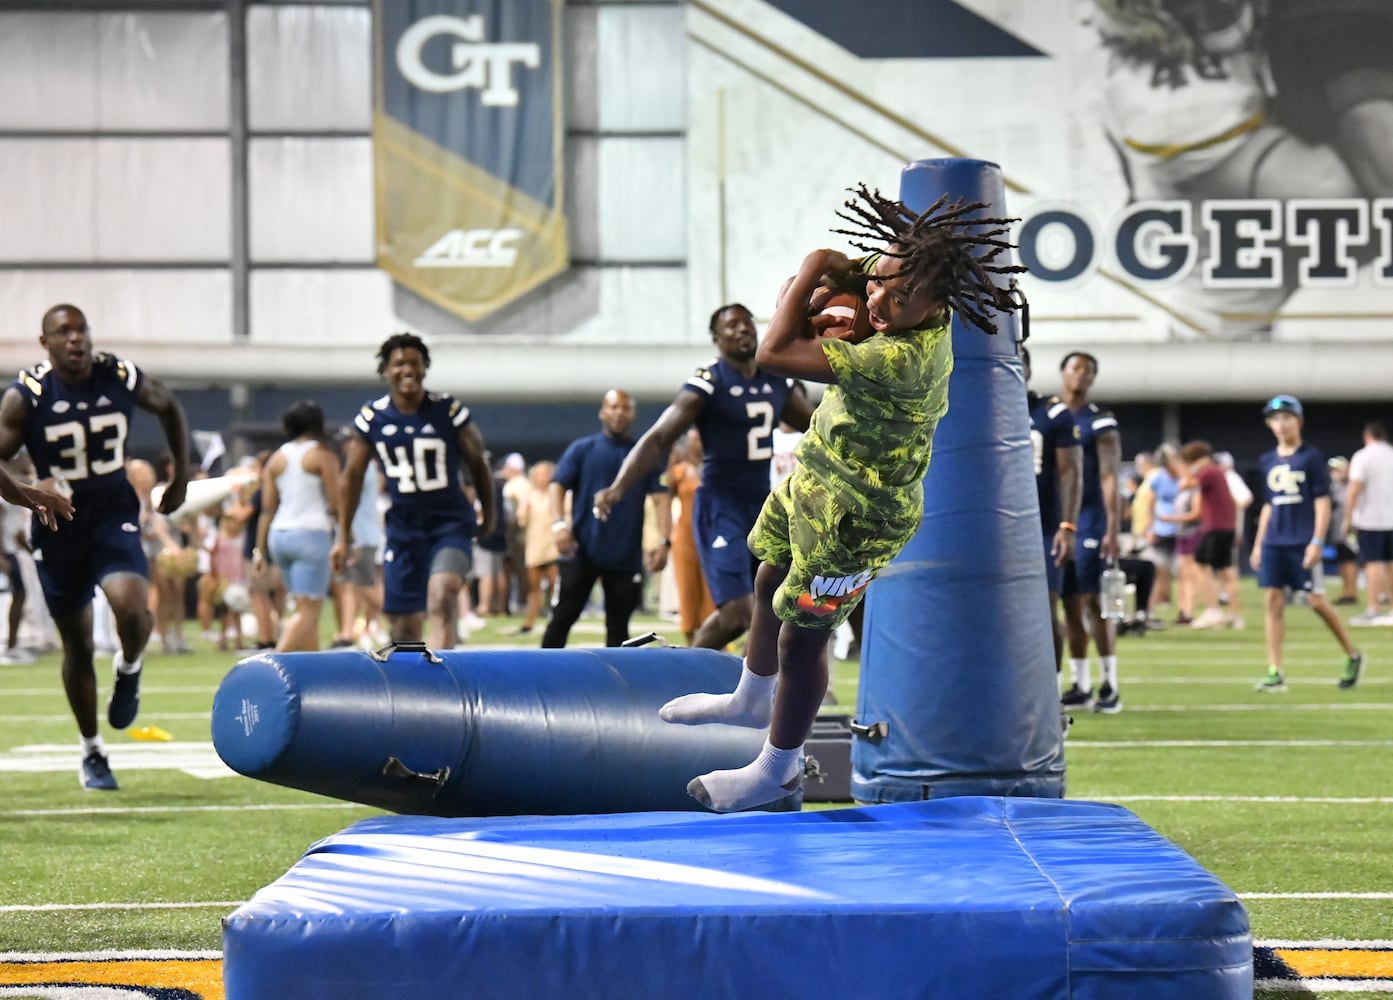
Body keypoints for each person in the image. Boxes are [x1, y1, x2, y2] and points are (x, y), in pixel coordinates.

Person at [654, 184, 1027, 812]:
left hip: (861, 515)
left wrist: (816, 265)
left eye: (901, 298)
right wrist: (851, 281)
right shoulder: (898, 280)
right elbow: (860, 286)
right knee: (770, 569)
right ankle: (751, 695)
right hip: (818, 476)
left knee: (804, 638)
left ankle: (778, 769)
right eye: (880, 280)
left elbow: (773, 351)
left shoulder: (904, 358)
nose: (880, 299)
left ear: (937, 307)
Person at [0, 303, 185, 791]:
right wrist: (28, 495)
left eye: (81, 329)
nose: (76, 339)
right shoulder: (28, 395)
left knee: (132, 609)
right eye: (64, 332)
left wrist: (181, 477)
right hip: (57, 524)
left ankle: (129, 668)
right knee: (77, 644)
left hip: (111, 512)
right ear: (47, 343)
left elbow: (168, 405)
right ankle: (93, 750)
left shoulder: (117, 375)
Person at [593, 304, 814, 651]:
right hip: (720, 504)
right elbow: (658, 439)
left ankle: (757, 693)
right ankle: (681, 674)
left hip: (764, 504)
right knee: (737, 615)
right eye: (731, 325)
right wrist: (619, 487)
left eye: (747, 324)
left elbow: (818, 430)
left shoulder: (777, 380)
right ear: (715, 338)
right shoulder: (709, 382)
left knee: (778, 609)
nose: (742, 330)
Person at [332, 333, 496, 649]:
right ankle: (413, 690)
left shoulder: (447, 410)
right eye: (398, 364)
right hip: (403, 528)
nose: (407, 370)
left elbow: (478, 463)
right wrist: (342, 535)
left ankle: (443, 682)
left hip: (449, 522)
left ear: (424, 368)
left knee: (442, 592)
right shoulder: (372, 416)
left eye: (414, 363)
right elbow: (351, 476)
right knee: (404, 627)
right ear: (385, 371)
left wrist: (488, 515)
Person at [1250, 395, 1363, 692]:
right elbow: (1268, 505)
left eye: (1287, 417)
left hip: (1301, 540)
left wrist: (1316, 540)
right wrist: (1259, 544)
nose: (1281, 424)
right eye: (1276, 419)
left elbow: (1322, 502)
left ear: (1298, 421)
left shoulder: (1311, 458)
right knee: (1272, 601)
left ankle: (1352, 653)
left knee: (1315, 600)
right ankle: (1275, 669)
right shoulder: (1267, 461)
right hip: (1275, 539)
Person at [547, 390, 672, 648]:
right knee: (561, 618)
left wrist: (663, 541)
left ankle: (617, 687)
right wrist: (558, 525)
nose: (619, 413)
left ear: (633, 414)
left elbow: (662, 499)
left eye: (625, 408)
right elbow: (556, 486)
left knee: (619, 630)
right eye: (613, 407)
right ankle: (538, 681)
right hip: (580, 550)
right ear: (602, 412)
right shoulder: (583, 449)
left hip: (624, 555)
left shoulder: (645, 454)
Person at [1058, 352, 1124, 714]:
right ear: (1064, 373)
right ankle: (1080, 684)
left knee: (1095, 603)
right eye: (1076, 368)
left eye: (1089, 370)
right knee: (1068, 604)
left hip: (1091, 519)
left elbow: (1110, 476)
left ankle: (1110, 683)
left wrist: (1113, 528)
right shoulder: (1051, 415)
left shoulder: (1099, 420)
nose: (1082, 375)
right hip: (1061, 520)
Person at [255, 401, 339, 652]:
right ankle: (273, 664)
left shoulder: (275, 459)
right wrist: (347, 537)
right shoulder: (322, 455)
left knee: (301, 609)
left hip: (279, 536)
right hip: (311, 534)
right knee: (309, 610)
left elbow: (267, 509)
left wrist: (259, 551)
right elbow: (336, 503)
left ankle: (310, 678)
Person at [1023, 346, 1081, 673]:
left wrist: (1067, 525)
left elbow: (1070, 471)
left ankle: (1053, 696)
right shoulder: (983, 408)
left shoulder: (1050, 411)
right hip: (996, 527)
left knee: (1045, 609)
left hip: (1043, 525)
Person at [1175, 441, 1241, 630]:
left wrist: (1187, 469)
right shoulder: (1218, 473)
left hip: (1215, 527)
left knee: (1199, 564)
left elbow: (1184, 484)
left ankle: (1213, 610)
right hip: (1226, 526)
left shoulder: (1209, 472)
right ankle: (1234, 615)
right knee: (1225, 572)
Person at [1343, 422, 1393, 625]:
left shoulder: (1363, 456)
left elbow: (1354, 488)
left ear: (1367, 437)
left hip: (1371, 519)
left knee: (1373, 563)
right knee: (1391, 564)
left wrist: (1347, 518)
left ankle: (1373, 607)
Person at [513, 460, 559, 636]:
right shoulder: (529, 496)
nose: (542, 478)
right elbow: (521, 521)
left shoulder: (557, 494)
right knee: (533, 588)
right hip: (535, 547)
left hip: (553, 547)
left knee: (556, 586)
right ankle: (530, 621)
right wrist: (523, 510)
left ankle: (554, 620)